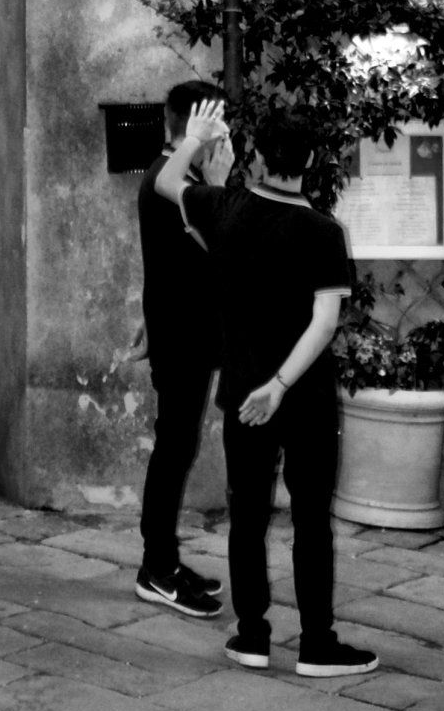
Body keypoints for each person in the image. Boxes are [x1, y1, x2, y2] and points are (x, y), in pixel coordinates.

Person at [158, 102, 380, 678]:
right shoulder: (324, 232)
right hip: (304, 397)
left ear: (256, 156)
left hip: (243, 394)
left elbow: (166, 181)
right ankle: (317, 644)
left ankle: (252, 636)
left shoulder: (224, 208)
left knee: (248, 515)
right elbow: (323, 324)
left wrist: (195, 138)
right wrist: (280, 385)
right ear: (311, 159)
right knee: (311, 520)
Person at [134, 81, 228, 619]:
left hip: (184, 331)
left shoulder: (180, 180)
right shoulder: (168, 181)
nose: (227, 133)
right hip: (183, 337)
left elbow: (176, 261)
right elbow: (222, 247)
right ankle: (157, 569)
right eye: (219, 122)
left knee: (176, 446)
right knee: (173, 449)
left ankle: (163, 559)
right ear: (198, 125)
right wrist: (218, 183)